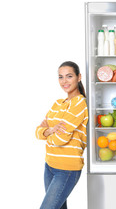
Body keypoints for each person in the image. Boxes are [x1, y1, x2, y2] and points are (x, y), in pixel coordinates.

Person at [35, 61, 88, 209]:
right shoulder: (58, 103)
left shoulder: (80, 104)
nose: (64, 81)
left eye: (69, 76)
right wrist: (51, 130)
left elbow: (60, 139)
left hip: (66, 169)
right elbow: (38, 132)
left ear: (79, 77)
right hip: (50, 165)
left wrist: (48, 132)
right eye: (61, 77)